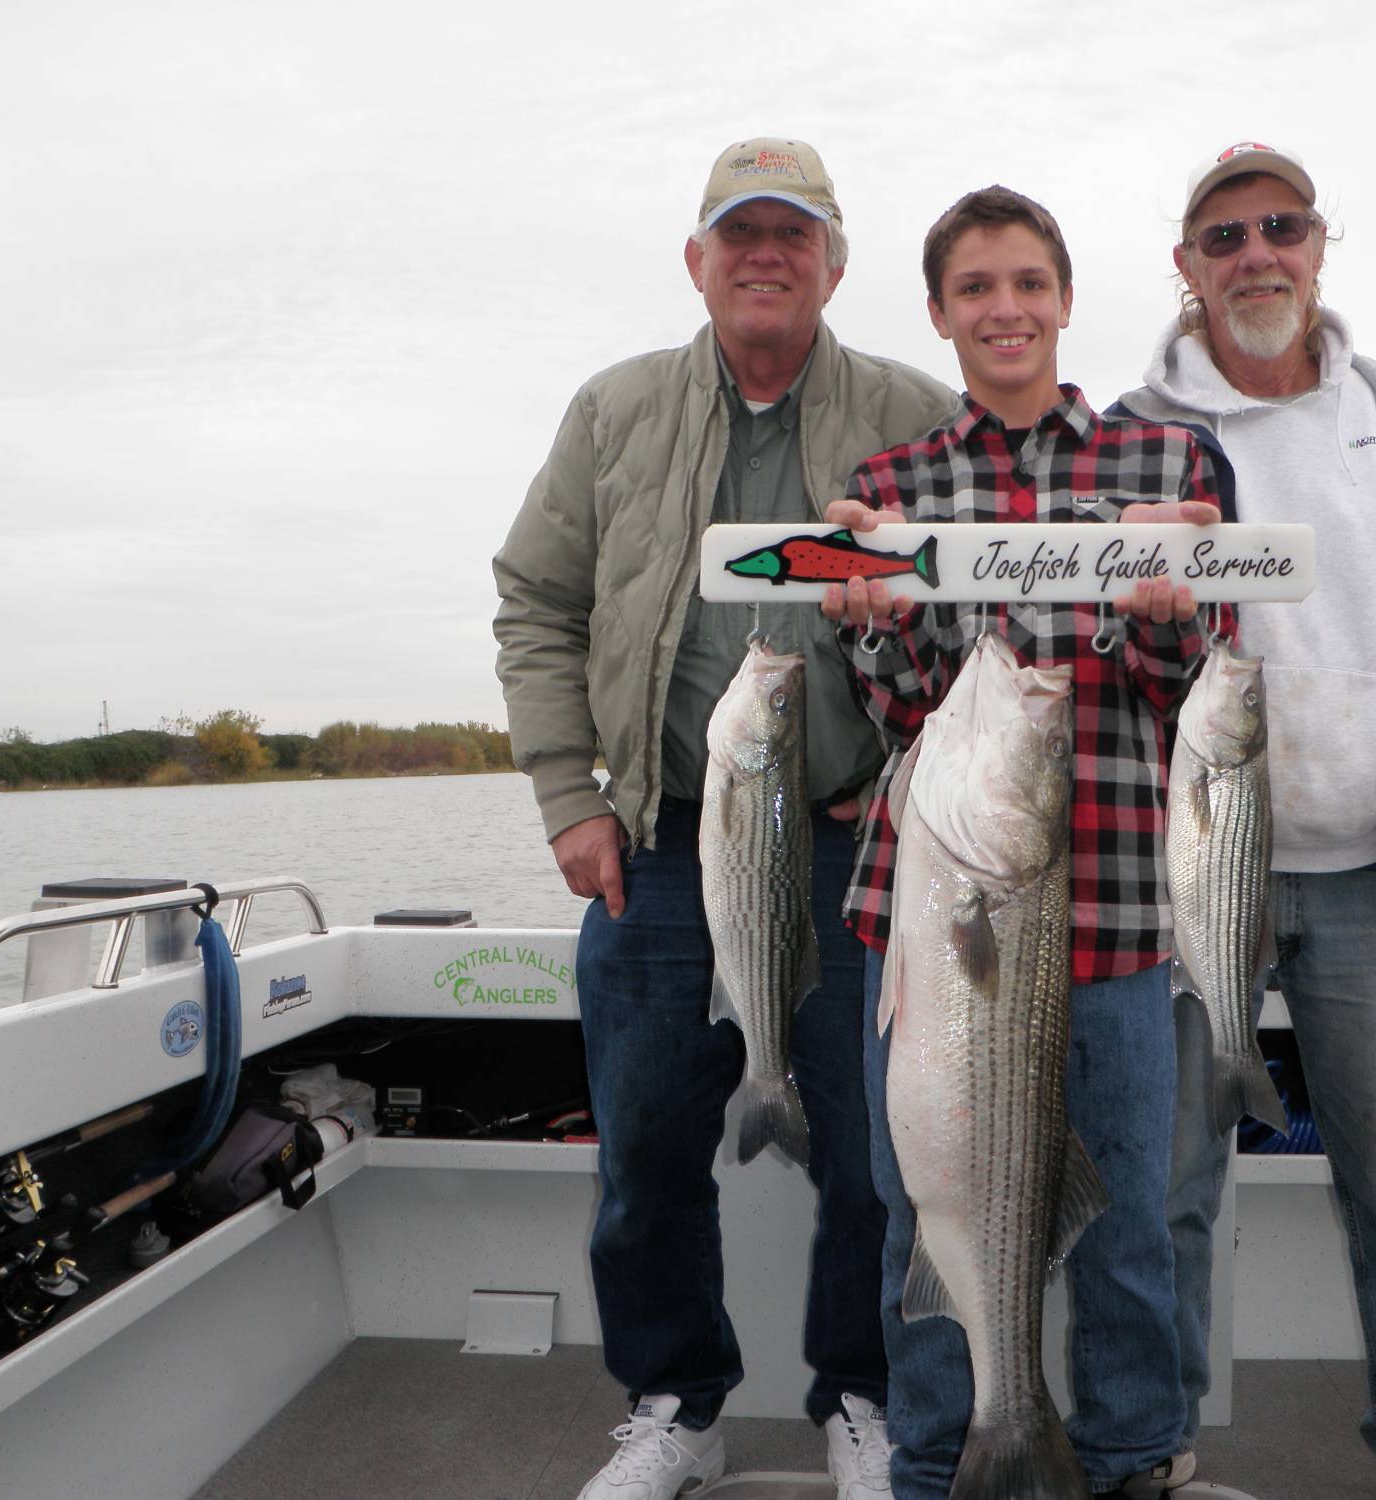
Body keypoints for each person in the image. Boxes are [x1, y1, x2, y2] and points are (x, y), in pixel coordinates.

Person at [491, 137, 956, 1500]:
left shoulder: (913, 410)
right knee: (640, 1148)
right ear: (696, 261)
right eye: (739, 234)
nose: (766, 255)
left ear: (836, 262)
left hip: (857, 852)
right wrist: (569, 796)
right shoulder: (612, 411)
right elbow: (537, 603)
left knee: (876, 1153)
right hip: (653, 850)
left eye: (793, 234)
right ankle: (675, 1403)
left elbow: (985, 595)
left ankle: (860, 1396)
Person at [1112, 141, 1376, 1500]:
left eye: (1280, 227)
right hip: (1180, 877)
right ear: (1186, 270)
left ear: (1320, 244)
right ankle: (1159, 1451)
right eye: (1223, 236)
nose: (1256, 255)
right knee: (1165, 1197)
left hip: (1374, 878)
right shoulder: (1128, 437)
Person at [824, 185, 1213, 1500]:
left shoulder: (1164, 469)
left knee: (1127, 1235)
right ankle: (944, 1468)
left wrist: (1172, 604)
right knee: (925, 1221)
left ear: (1062, 298)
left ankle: (1125, 1469)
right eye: (977, 287)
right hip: (937, 918)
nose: (1006, 309)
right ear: (939, 313)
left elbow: (1194, 688)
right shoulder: (889, 490)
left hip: (1111, 919)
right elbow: (894, 712)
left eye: (1029, 283)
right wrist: (873, 612)